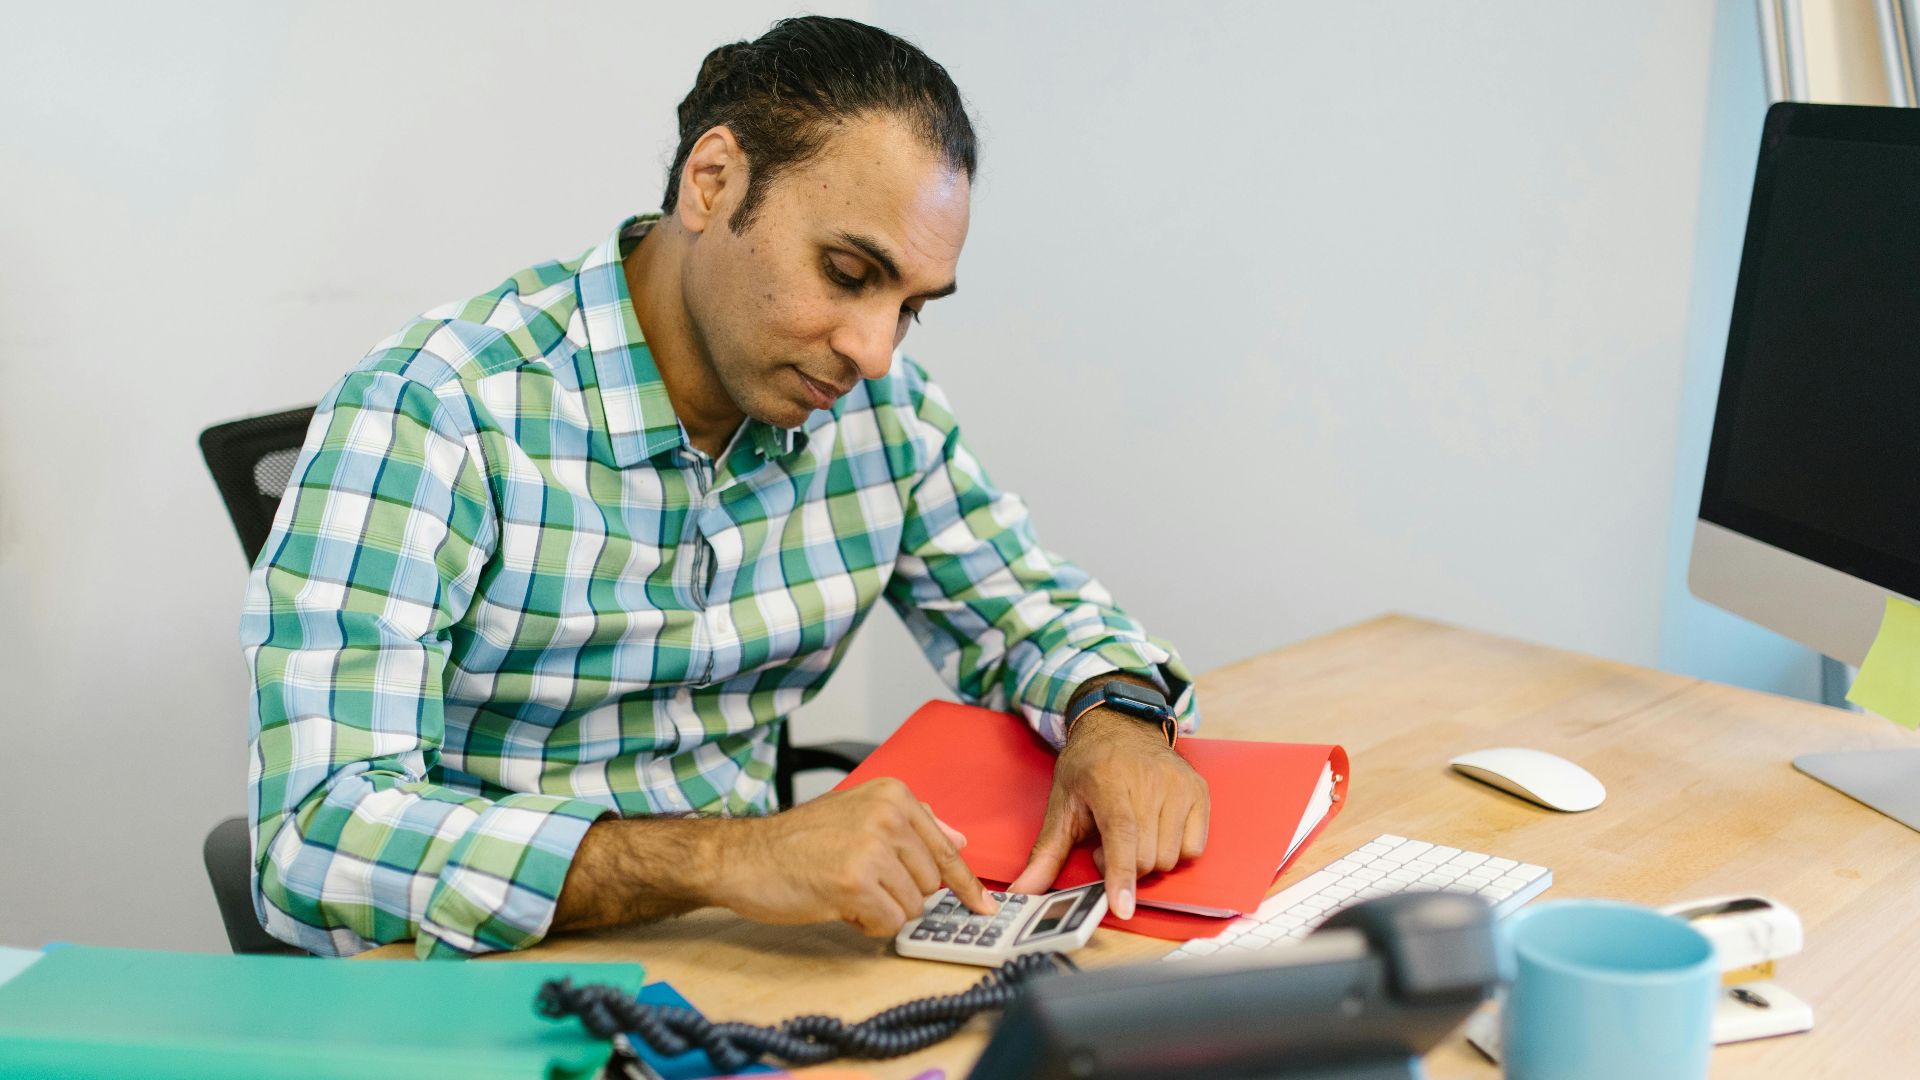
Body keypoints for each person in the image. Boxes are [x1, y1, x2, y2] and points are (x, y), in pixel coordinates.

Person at [241, 15, 1208, 959]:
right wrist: (728, 858)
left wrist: (1116, 718)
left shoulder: (881, 412)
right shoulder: (437, 411)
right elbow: (316, 834)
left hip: (747, 964)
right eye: (847, 272)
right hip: (489, 982)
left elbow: (1030, 609)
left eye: (910, 307)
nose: (875, 351)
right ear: (712, 183)